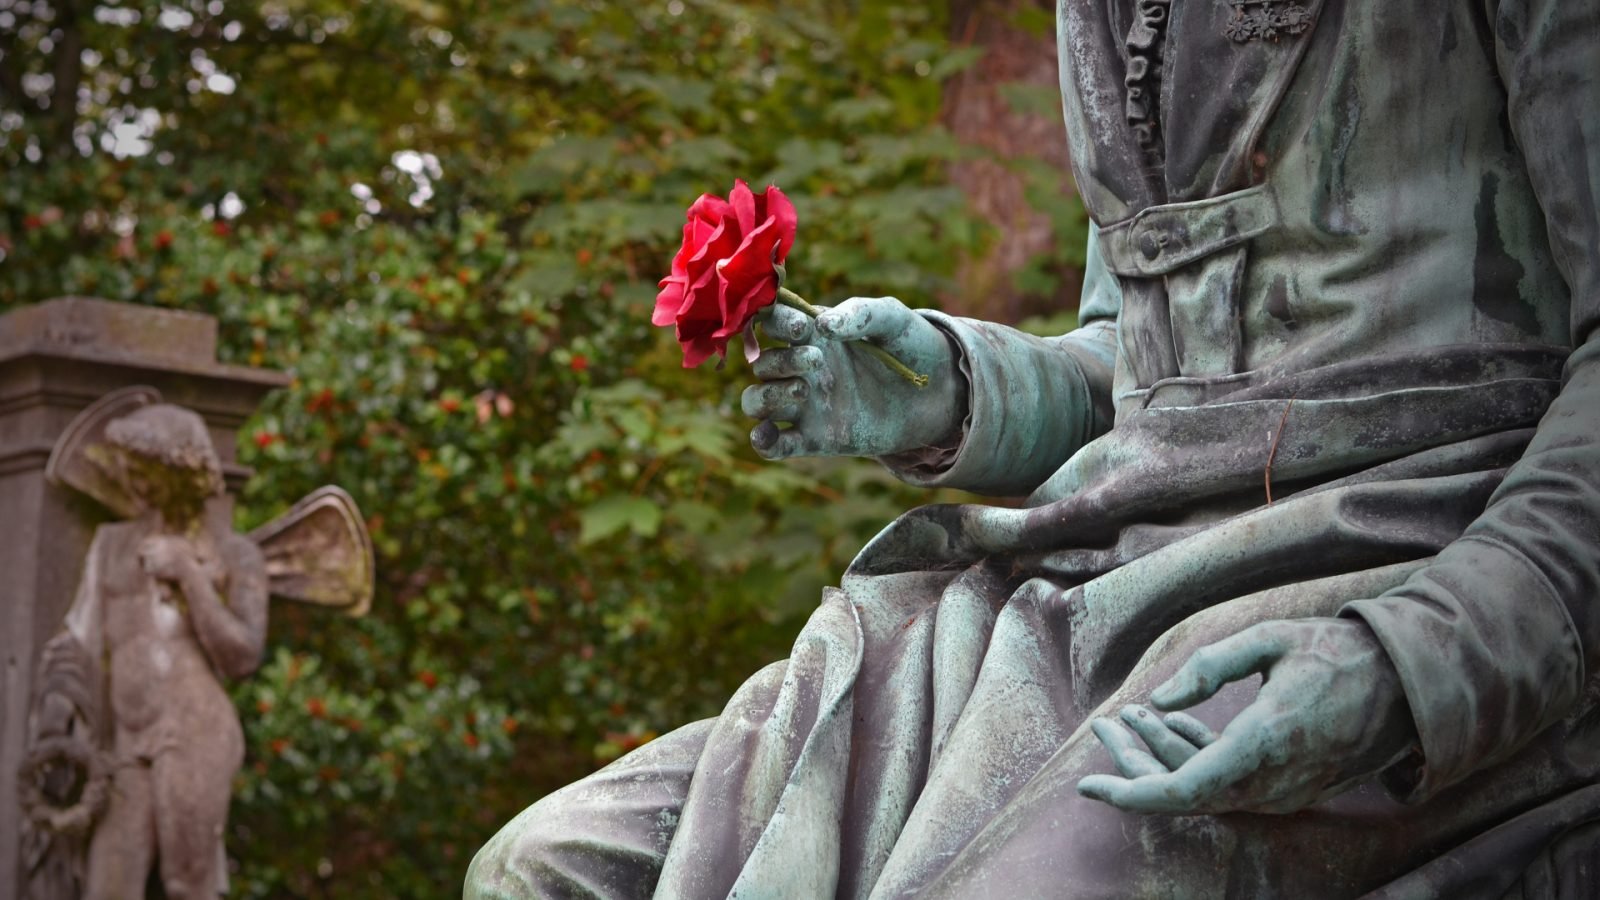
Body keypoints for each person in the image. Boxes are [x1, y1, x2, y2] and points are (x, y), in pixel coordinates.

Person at [470, 0, 1600, 896]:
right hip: (1096, 575)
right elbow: (1141, 364)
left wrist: (1414, 666)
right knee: (544, 867)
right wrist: (953, 394)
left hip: (1403, 551)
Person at [26, 405, 269, 899]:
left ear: (181, 473)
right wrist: (56, 706)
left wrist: (191, 576)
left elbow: (243, 655)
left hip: (194, 733)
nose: (133, 480)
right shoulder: (111, 545)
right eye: (129, 467)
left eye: (146, 470)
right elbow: (80, 634)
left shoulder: (234, 554)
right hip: (124, 743)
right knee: (108, 886)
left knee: (189, 884)